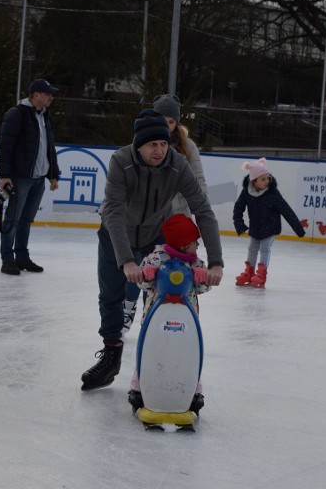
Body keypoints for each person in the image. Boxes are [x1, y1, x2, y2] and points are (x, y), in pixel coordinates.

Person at [81, 109, 224, 391]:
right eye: (152, 145)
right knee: (111, 294)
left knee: (166, 291)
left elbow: (203, 211)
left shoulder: (177, 164)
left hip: (154, 235)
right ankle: (111, 354)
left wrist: (216, 262)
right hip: (115, 233)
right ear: (139, 145)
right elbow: (114, 211)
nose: (159, 150)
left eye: (163, 143)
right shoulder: (121, 161)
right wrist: (126, 261)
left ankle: (164, 353)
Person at [121, 93, 209, 336]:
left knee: (173, 270)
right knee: (143, 266)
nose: (166, 126)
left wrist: (198, 209)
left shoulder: (187, 147)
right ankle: (129, 307)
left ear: (177, 124)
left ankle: (173, 317)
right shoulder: (143, 142)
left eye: (171, 121)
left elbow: (199, 180)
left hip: (176, 220)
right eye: (162, 119)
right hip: (147, 217)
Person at [127, 214, 211, 415]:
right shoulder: (155, 259)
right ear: (182, 245)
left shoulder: (196, 263)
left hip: (186, 320)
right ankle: (138, 387)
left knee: (188, 353)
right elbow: (141, 284)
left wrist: (203, 279)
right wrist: (146, 276)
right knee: (149, 352)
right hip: (154, 318)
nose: (198, 244)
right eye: (193, 242)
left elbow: (202, 288)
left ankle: (193, 390)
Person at [0, 79, 61, 275]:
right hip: (20, 177)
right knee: (12, 219)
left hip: (38, 178)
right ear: (36, 95)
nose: (51, 97)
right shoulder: (17, 114)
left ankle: (22, 257)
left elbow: (49, 148)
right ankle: (7, 258)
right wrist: (5, 175)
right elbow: (5, 146)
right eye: (48, 93)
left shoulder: (45, 117)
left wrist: (53, 175)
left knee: (26, 219)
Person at [233, 157, 306, 289]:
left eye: (268, 178)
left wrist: (299, 230)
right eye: (263, 179)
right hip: (255, 227)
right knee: (252, 249)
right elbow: (238, 208)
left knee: (265, 249)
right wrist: (240, 225)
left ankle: (261, 275)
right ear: (253, 181)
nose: (267, 181)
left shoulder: (272, 193)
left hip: (270, 227)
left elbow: (286, 210)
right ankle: (249, 273)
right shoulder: (247, 192)